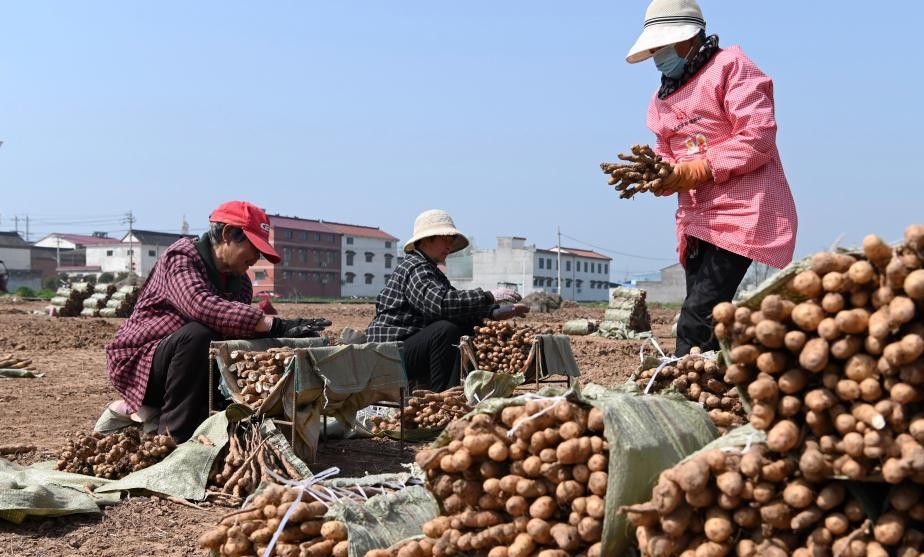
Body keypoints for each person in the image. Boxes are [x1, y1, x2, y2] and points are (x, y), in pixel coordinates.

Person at [625, 0, 798, 355]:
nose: (657, 55)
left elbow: (758, 137)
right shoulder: (661, 99)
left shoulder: (731, 67)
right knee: (709, 315)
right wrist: (661, 175)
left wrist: (698, 168)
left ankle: (683, 393)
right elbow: (664, 151)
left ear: (688, 39)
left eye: (662, 46)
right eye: (653, 48)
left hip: (742, 213)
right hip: (695, 219)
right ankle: (717, 385)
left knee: (696, 316)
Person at [104, 201, 330, 442]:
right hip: (142, 361)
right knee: (199, 334)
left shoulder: (240, 283)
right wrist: (276, 325)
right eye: (253, 248)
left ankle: (197, 419)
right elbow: (201, 306)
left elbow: (234, 328)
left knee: (227, 345)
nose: (256, 258)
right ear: (228, 234)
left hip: (188, 367)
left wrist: (284, 335)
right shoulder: (181, 257)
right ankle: (172, 438)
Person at [366, 209, 528, 391]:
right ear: (427, 239)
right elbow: (442, 304)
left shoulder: (431, 271)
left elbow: (457, 309)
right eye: (446, 239)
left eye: (451, 241)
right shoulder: (415, 267)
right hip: (388, 353)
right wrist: (489, 296)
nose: (450, 246)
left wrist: (494, 312)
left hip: (405, 348)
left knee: (462, 327)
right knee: (445, 331)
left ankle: (459, 390)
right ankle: (442, 397)